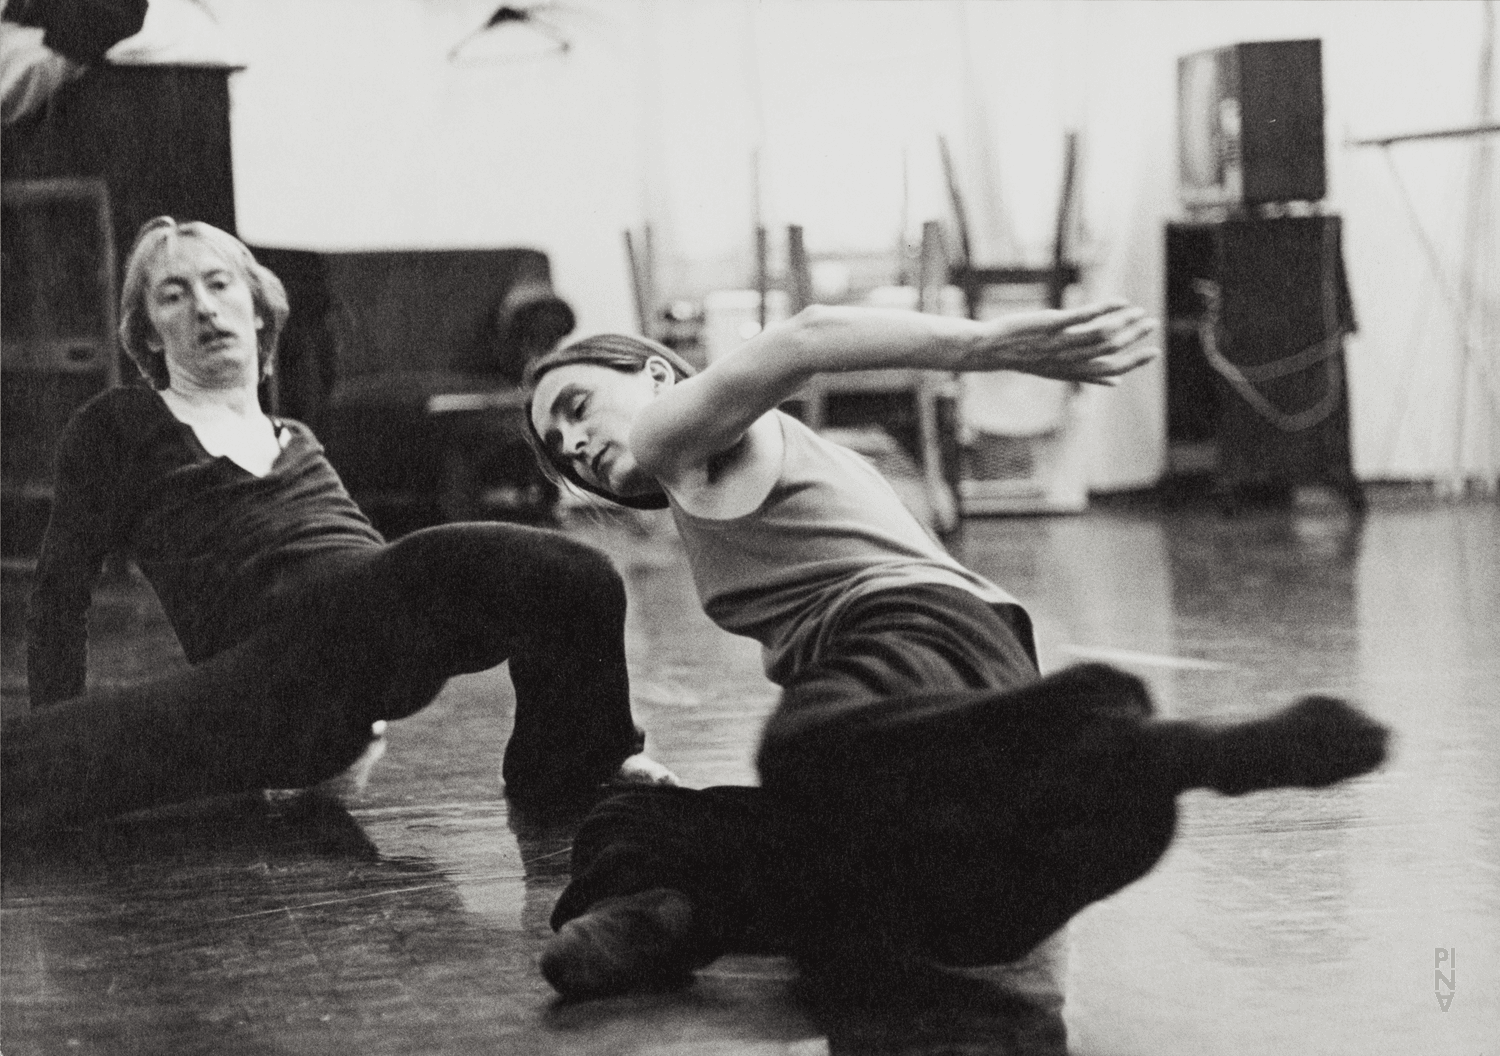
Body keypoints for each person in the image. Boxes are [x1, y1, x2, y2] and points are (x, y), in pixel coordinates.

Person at [522, 301, 1390, 1000]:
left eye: (577, 408)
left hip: (908, 633)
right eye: (559, 451)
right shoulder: (707, 468)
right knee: (637, 819)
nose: (576, 447)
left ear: (656, 375)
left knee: (806, 748)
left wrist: (988, 346)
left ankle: (1168, 746)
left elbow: (806, 339)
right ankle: (659, 917)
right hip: (962, 696)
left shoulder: (672, 437)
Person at [1, 217, 675, 835]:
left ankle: (566, 768)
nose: (203, 307)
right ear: (149, 332)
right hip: (266, 690)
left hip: (360, 665)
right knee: (36, 764)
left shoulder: (297, 439)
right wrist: (58, 728)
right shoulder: (118, 425)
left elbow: (370, 577)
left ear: (257, 310)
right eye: (173, 295)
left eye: (218, 284)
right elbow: (59, 597)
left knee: (573, 577)